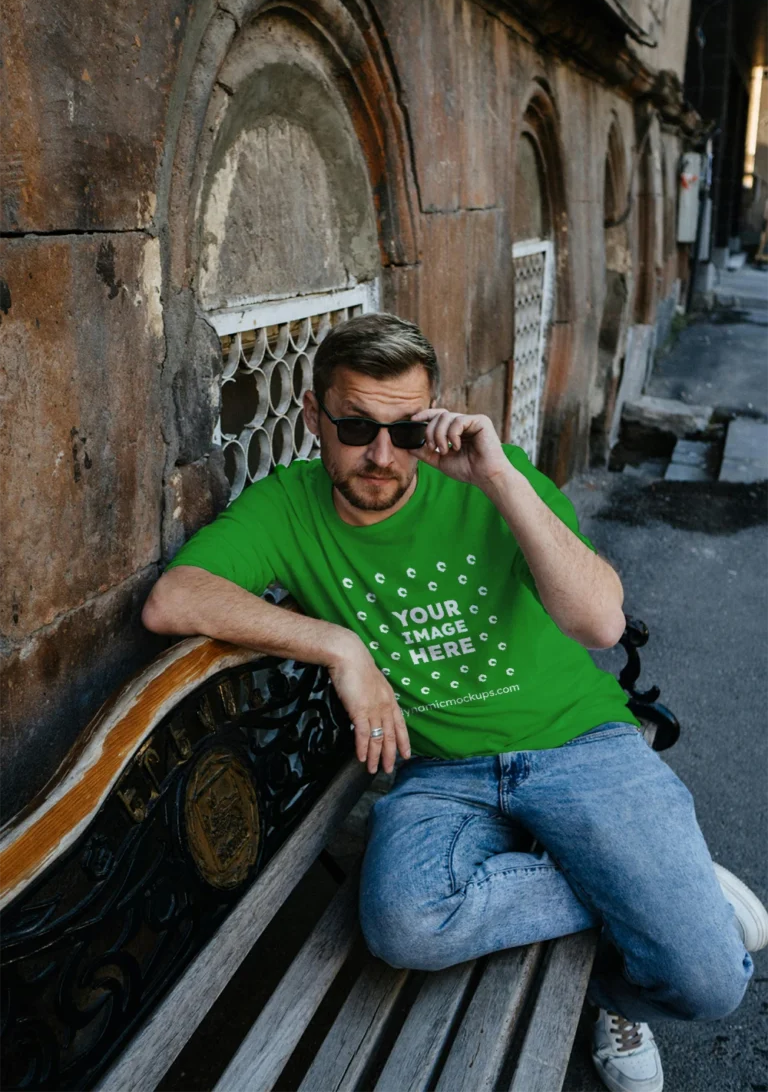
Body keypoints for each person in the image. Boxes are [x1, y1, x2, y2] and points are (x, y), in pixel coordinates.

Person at [142, 313, 767, 1092]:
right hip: (441, 772)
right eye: (354, 426)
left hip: (579, 742)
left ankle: (615, 988)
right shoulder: (289, 506)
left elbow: (600, 622)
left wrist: (501, 479)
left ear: (432, 417)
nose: (379, 455)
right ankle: (653, 885)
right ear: (312, 417)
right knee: (403, 923)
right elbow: (174, 600)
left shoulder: (487, 479)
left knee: (712, 980)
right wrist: (342, 646)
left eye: (404, 432)